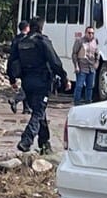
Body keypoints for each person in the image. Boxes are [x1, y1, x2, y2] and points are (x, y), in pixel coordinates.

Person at [7, 16, 71, 154]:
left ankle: (44, 144)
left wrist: (12, 79)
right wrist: (65, 78)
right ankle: (26, 140)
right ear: (41, 27)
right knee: (38, 112)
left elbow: (11, 61)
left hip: (27, 83)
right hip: (42, 83)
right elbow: (55, 62)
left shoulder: (20, 42)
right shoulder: (42, 41)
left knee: (40, 113)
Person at [6, 20, 31, 114]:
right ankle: (15, 100)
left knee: (25, 86)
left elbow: (11, 56)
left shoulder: (15, 39)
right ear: (27, 28)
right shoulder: (27, 39)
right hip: (26, 66)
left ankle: (26, 108)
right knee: (28, 88)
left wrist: (11, 77)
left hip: (16, 66)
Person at [71, 26, 99, 106]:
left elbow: (97, 54)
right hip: (82, 67)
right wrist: (76, 66)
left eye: (92, 33)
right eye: (89, 33)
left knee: (90, 87)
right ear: (85, 33)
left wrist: (96, 63)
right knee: (79, 86)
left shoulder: (95, 41)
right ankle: (77, 103)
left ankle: (88, 102)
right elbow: (74, 54)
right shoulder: (80, 41)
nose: (91, 34)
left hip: (91, 68)